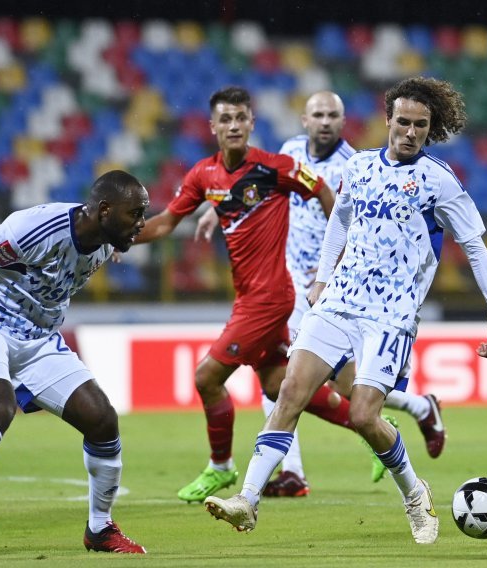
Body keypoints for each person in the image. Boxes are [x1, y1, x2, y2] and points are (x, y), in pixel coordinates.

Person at [204, 76, 487, 545]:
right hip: (338, 302)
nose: (410, 132)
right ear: (388, 120)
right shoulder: (361, 167)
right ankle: (247, 500)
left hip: (389, 316)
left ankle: (413, 492)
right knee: (289, 393)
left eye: (420, 126)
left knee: (365, 415)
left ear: (431, 128)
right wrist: (324, 279)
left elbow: (474, 247)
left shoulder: (439, 181)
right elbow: (339, 222)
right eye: (402, 122)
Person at [195, 90, 448, 498]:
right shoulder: (290, 150)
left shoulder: (358, 164)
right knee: (283, 381)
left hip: (336, 289)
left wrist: (333, 272)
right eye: (318, 114)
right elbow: (257, 186)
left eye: (333, 114)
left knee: (341, 385)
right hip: (288, 281)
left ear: (343, 120)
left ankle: (417, 410)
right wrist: (213, 208)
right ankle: (292, 472)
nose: (326, 121)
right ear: (304, 119)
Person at [132, 86, 361, 505]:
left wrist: (337, 258)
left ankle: (221, 467)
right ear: (213, 126)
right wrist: (121, 239)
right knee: (280, 384)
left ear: (252, 123)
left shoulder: (276, 167)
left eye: (241, 118)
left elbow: (329, 194)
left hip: (271, 299)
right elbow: (164, 223)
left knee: (206, 377)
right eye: (226, 119)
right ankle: (373, 427)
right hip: (248, 296)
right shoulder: (204, 176)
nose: (234, 126)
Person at [0, 170, 149, 559]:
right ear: (105, 210)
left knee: (101, 418)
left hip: (37, 337)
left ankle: (100, 528)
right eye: (135, 214)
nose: (141, 224)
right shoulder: (36, 228)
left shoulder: (102, 243)